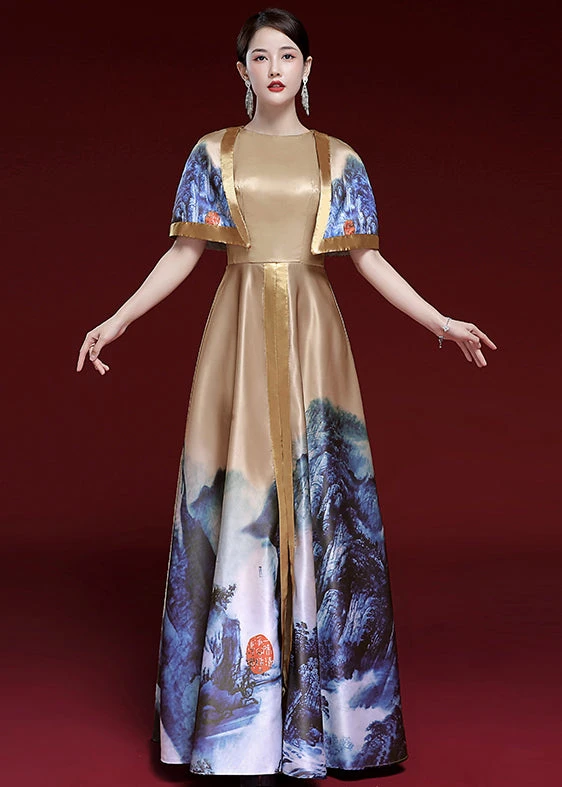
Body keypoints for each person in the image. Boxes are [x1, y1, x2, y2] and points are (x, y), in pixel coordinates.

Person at [76, 8, 497, 785]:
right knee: (238, 499)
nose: (275, 68)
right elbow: (185, 252)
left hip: (313, 335)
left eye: (288, 56)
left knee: (323, 503)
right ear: (241, 71)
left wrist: (440, 322)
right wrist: (119, 318)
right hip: (236, 332)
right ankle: (236, 731)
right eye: (261, 57)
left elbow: (369, 261)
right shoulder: (214, 153)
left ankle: (332, 728)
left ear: (308, 68)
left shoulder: (339, 159)